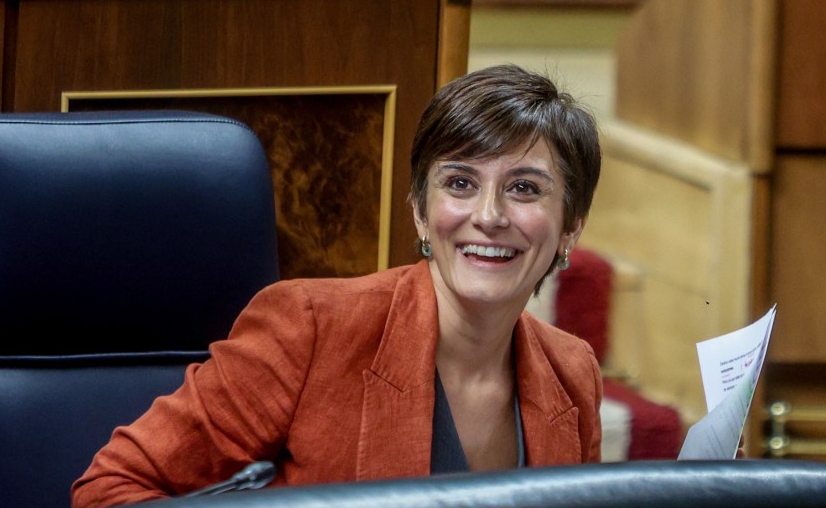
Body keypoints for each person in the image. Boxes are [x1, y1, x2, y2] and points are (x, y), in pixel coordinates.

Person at [70, 64, 604, 507]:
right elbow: (110, 489)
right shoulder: (311, 328)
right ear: (420, 211)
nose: (489, 216)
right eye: (460, 183)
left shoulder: (572, 372)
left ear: (571, 225)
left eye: (525, 188)